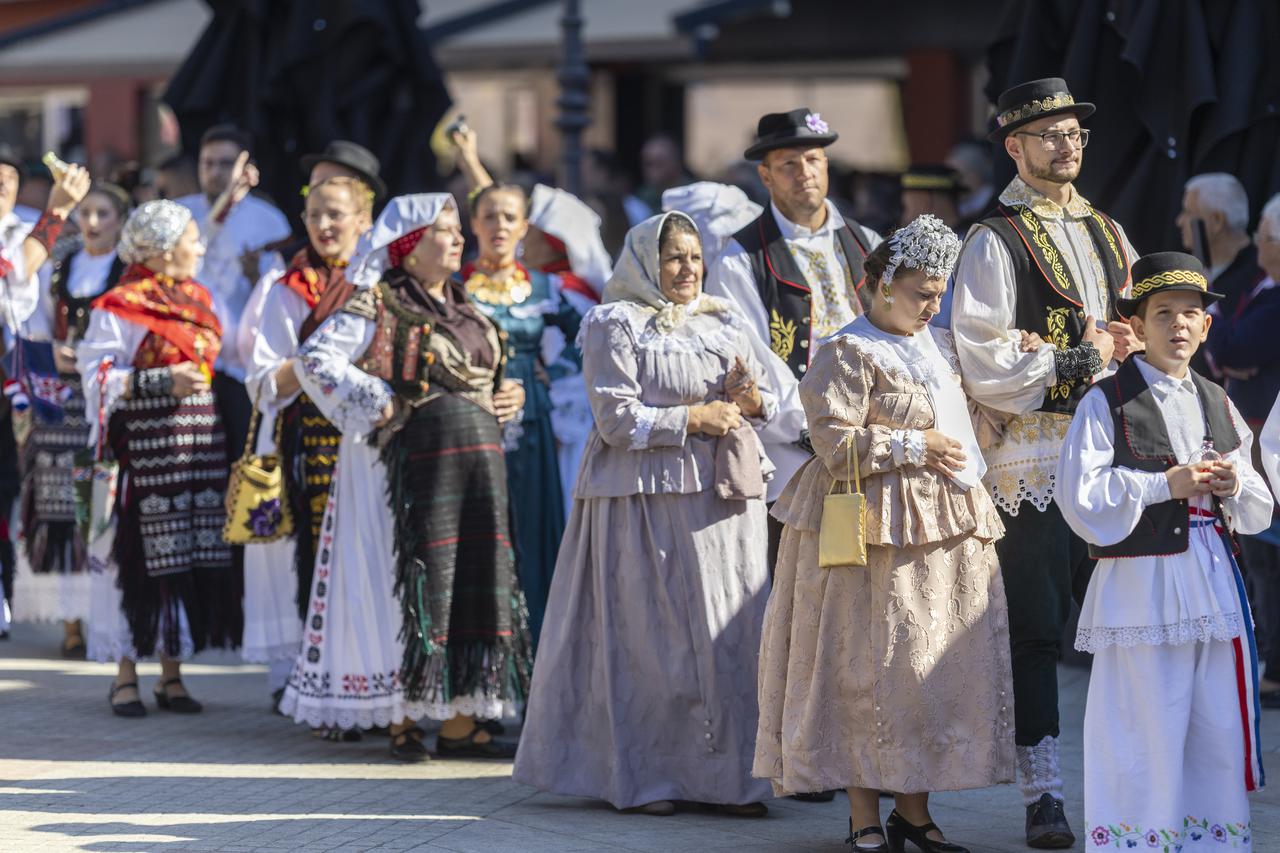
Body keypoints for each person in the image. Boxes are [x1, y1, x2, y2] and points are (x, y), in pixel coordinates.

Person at [755, 216, 1015, 853]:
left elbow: (973, 431)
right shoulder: (848, 350)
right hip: (868, 526)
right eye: (921, 293)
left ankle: (914, 813)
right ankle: (863, 816)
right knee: (865, 664)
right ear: (881, 284)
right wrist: (913, 444)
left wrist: (1013, 380)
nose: (931, 306)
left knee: (920, 668)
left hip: (944, 522)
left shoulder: (942, 346)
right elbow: (831, 443)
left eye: (938, 294)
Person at [514, 211, 776, 817]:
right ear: (645, 262)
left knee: (730, 633)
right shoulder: (615, 323)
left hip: (720, 502)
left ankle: (731, 780)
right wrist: (693, 417)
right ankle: (651, 776)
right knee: (656, 639)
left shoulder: (723, 319)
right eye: (674, 257)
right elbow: (615, 419)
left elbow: (759, 400)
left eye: (695, 256)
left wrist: (747, 398)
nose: (688, 268)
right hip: (643, 499)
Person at [949, 78, 1139, 849]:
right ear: (1015, 146)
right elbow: (983, 360)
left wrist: (1133, 344)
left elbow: (1138, 327)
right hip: (1033, 455)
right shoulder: (994, 239)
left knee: (1129, 622)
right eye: (1050, 134)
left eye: (1074, 133)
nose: (1067, 145)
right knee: (1035, 628)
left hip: (1114, 451)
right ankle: (1044, 795)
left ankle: (1135, 778)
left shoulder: (1108, 231)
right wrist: (1077, 358)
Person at [280, 194, 530, 762]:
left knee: (467, 582)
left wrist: (507, 395)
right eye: (445, 230)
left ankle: (460, 719)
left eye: (458, 229)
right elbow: (315, 360)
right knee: (409, 583)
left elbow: (485, 377)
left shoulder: (465, 306)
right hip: (399, 476)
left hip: (472, 474)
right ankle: (401, 717)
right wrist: (378, 399)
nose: (459, 238)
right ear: (411, 247)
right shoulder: (378, 301)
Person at [1055, 251, 1274, 852]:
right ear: (1138, 325)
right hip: (1141, 583)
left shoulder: (1217, 399)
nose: (1178, 323)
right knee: (1143, 717)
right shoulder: (1106, 401)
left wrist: (1233, 485)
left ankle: (1209, 841)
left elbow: (1258, 502)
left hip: (1211, 577)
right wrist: (1162, 485)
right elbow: (1081, 499)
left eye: (1190, 313)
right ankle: (1140, 839)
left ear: (1206, 327)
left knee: (1213, 719)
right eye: (1163, 313)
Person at [705, 107, 884, 586]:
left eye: (813, 160)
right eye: (788, 164)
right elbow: (753, 360)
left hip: (874, 448)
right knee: (801, 593)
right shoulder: (741, 260)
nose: (804, 172)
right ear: (765, 176)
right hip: (792, 459)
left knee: (870, 592)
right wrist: (815, 430)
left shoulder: (866, 243)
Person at [77, 199, 240, 716]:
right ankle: (125, 675)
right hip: (142, 458)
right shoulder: (119, 305)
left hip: (196, 452)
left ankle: (172, 673)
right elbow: (96, 378)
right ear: (166, 249)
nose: (199, 248)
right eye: (192, 239)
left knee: (183, 559)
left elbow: (236, 356)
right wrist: (161, 380)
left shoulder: (202, 299)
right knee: (136, 562)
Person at [241, 166, 376, 719]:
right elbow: (263, 379)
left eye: (336, 214)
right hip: (307, 440)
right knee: (312, 556)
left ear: (363, 220)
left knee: (367, 557)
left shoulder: (380, 284)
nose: (324, 225)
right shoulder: (286, 290)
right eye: (315, 215)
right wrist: (319, 361)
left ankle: (366, 674)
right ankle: (309, 675)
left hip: (367, 436)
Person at [448, 157, 582, 646]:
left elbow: (590, 338)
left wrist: (553, 374)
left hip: (533, 416)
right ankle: (482, 643)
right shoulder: (455, 287)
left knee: (532, 526)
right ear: (473, 224)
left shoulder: (544, 287)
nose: (499, 226)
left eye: (509, 217)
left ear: (525, 226)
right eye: (489, 216)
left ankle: (537, 647)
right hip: (472, 413)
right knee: (480, 527)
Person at [11, 183, 128, 655]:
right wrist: (53, 351)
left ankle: (105, 612)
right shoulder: (61, 265)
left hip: (106, 395)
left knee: (99, 501)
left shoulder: (127, 271)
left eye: (103, 213)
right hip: (60, 397)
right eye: (85, 213)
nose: (92, 223)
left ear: (121, 220)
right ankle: (70, 621)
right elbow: (34, 319)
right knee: (58, 505)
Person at [175, 124, 291, 458]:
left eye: (225, 164)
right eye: (207, 163)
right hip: (190, 363)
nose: (215, 172)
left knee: (244, 457)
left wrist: (255, 277)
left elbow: (281, 296)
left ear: (247, 167)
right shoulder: (181, 213)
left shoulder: (269, 220)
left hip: (244, 366)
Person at [1206, 192, 1280, 706]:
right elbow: (1226, 350)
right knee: (1260, 556)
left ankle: (1275, 667)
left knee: (1267, 555)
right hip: (1257, 437)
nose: (1257, 244)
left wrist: (1232, 347)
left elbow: (1231, 346)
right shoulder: (1262, 287)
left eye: (1266, 237)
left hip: (1268, 440)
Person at [1176, 173, 1262, 380]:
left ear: (1216, 220)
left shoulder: (1261, 278)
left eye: (1188, 212)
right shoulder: (1187, 272)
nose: (1179, 221)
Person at [0, 143, 91, 330]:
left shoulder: (24, 229)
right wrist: (58, 210)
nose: (3, 183)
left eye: (11, 177)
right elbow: (17, 272)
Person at [946, 139, 995, 233]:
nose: (951, 183)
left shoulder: (992, 205)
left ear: (974, 176)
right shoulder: (962, 205)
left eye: (956, 176)